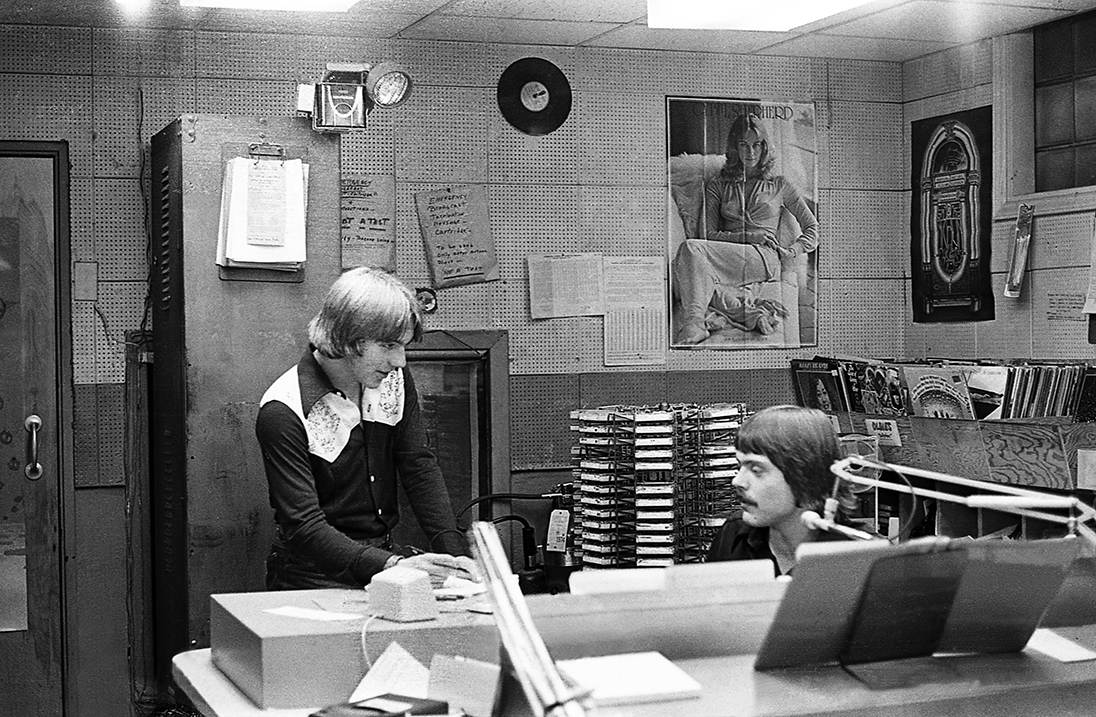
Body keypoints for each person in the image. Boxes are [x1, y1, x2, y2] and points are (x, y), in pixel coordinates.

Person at [256, 266, 477, 590]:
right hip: (312, 573)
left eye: (403, 346)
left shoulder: (393, 379)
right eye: (388, 346)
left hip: (383, 560)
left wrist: (455, 558)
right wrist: (393, 566)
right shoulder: (283, 410)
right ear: (347, 339)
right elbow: (304, 525)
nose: (400, 361)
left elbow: (418, 466)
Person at [672, 113, 819, 344]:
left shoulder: (780, 185)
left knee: (690, 252)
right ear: (734, 147)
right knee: (686, 268)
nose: (750, 152)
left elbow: (812, 228)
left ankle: (695, 322)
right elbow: (708, 235)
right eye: (743, 145)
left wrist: (791, 251)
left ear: (764, 147)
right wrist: (750, 236)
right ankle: (746, 312)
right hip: (729, 256)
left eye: (756, 145)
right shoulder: (718, 185)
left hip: (765, 258)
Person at [706, 405, 856, 576]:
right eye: (739, 466)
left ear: (805, 477)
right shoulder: (733, 534)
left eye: (756, 470)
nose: (737, 481)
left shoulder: (862, 553)